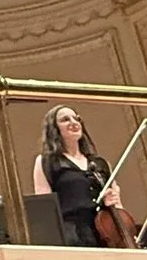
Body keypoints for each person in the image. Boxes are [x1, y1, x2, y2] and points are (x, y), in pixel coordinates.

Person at [31, 105, 118, 247]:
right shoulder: (46, 162)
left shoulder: (101, 163)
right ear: (54, 128)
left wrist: (113, 200)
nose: (73, 122)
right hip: (72, 236)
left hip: (105, 233)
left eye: (76, 118)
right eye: (65, 119)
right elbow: (46, 210)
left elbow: (117, 203)